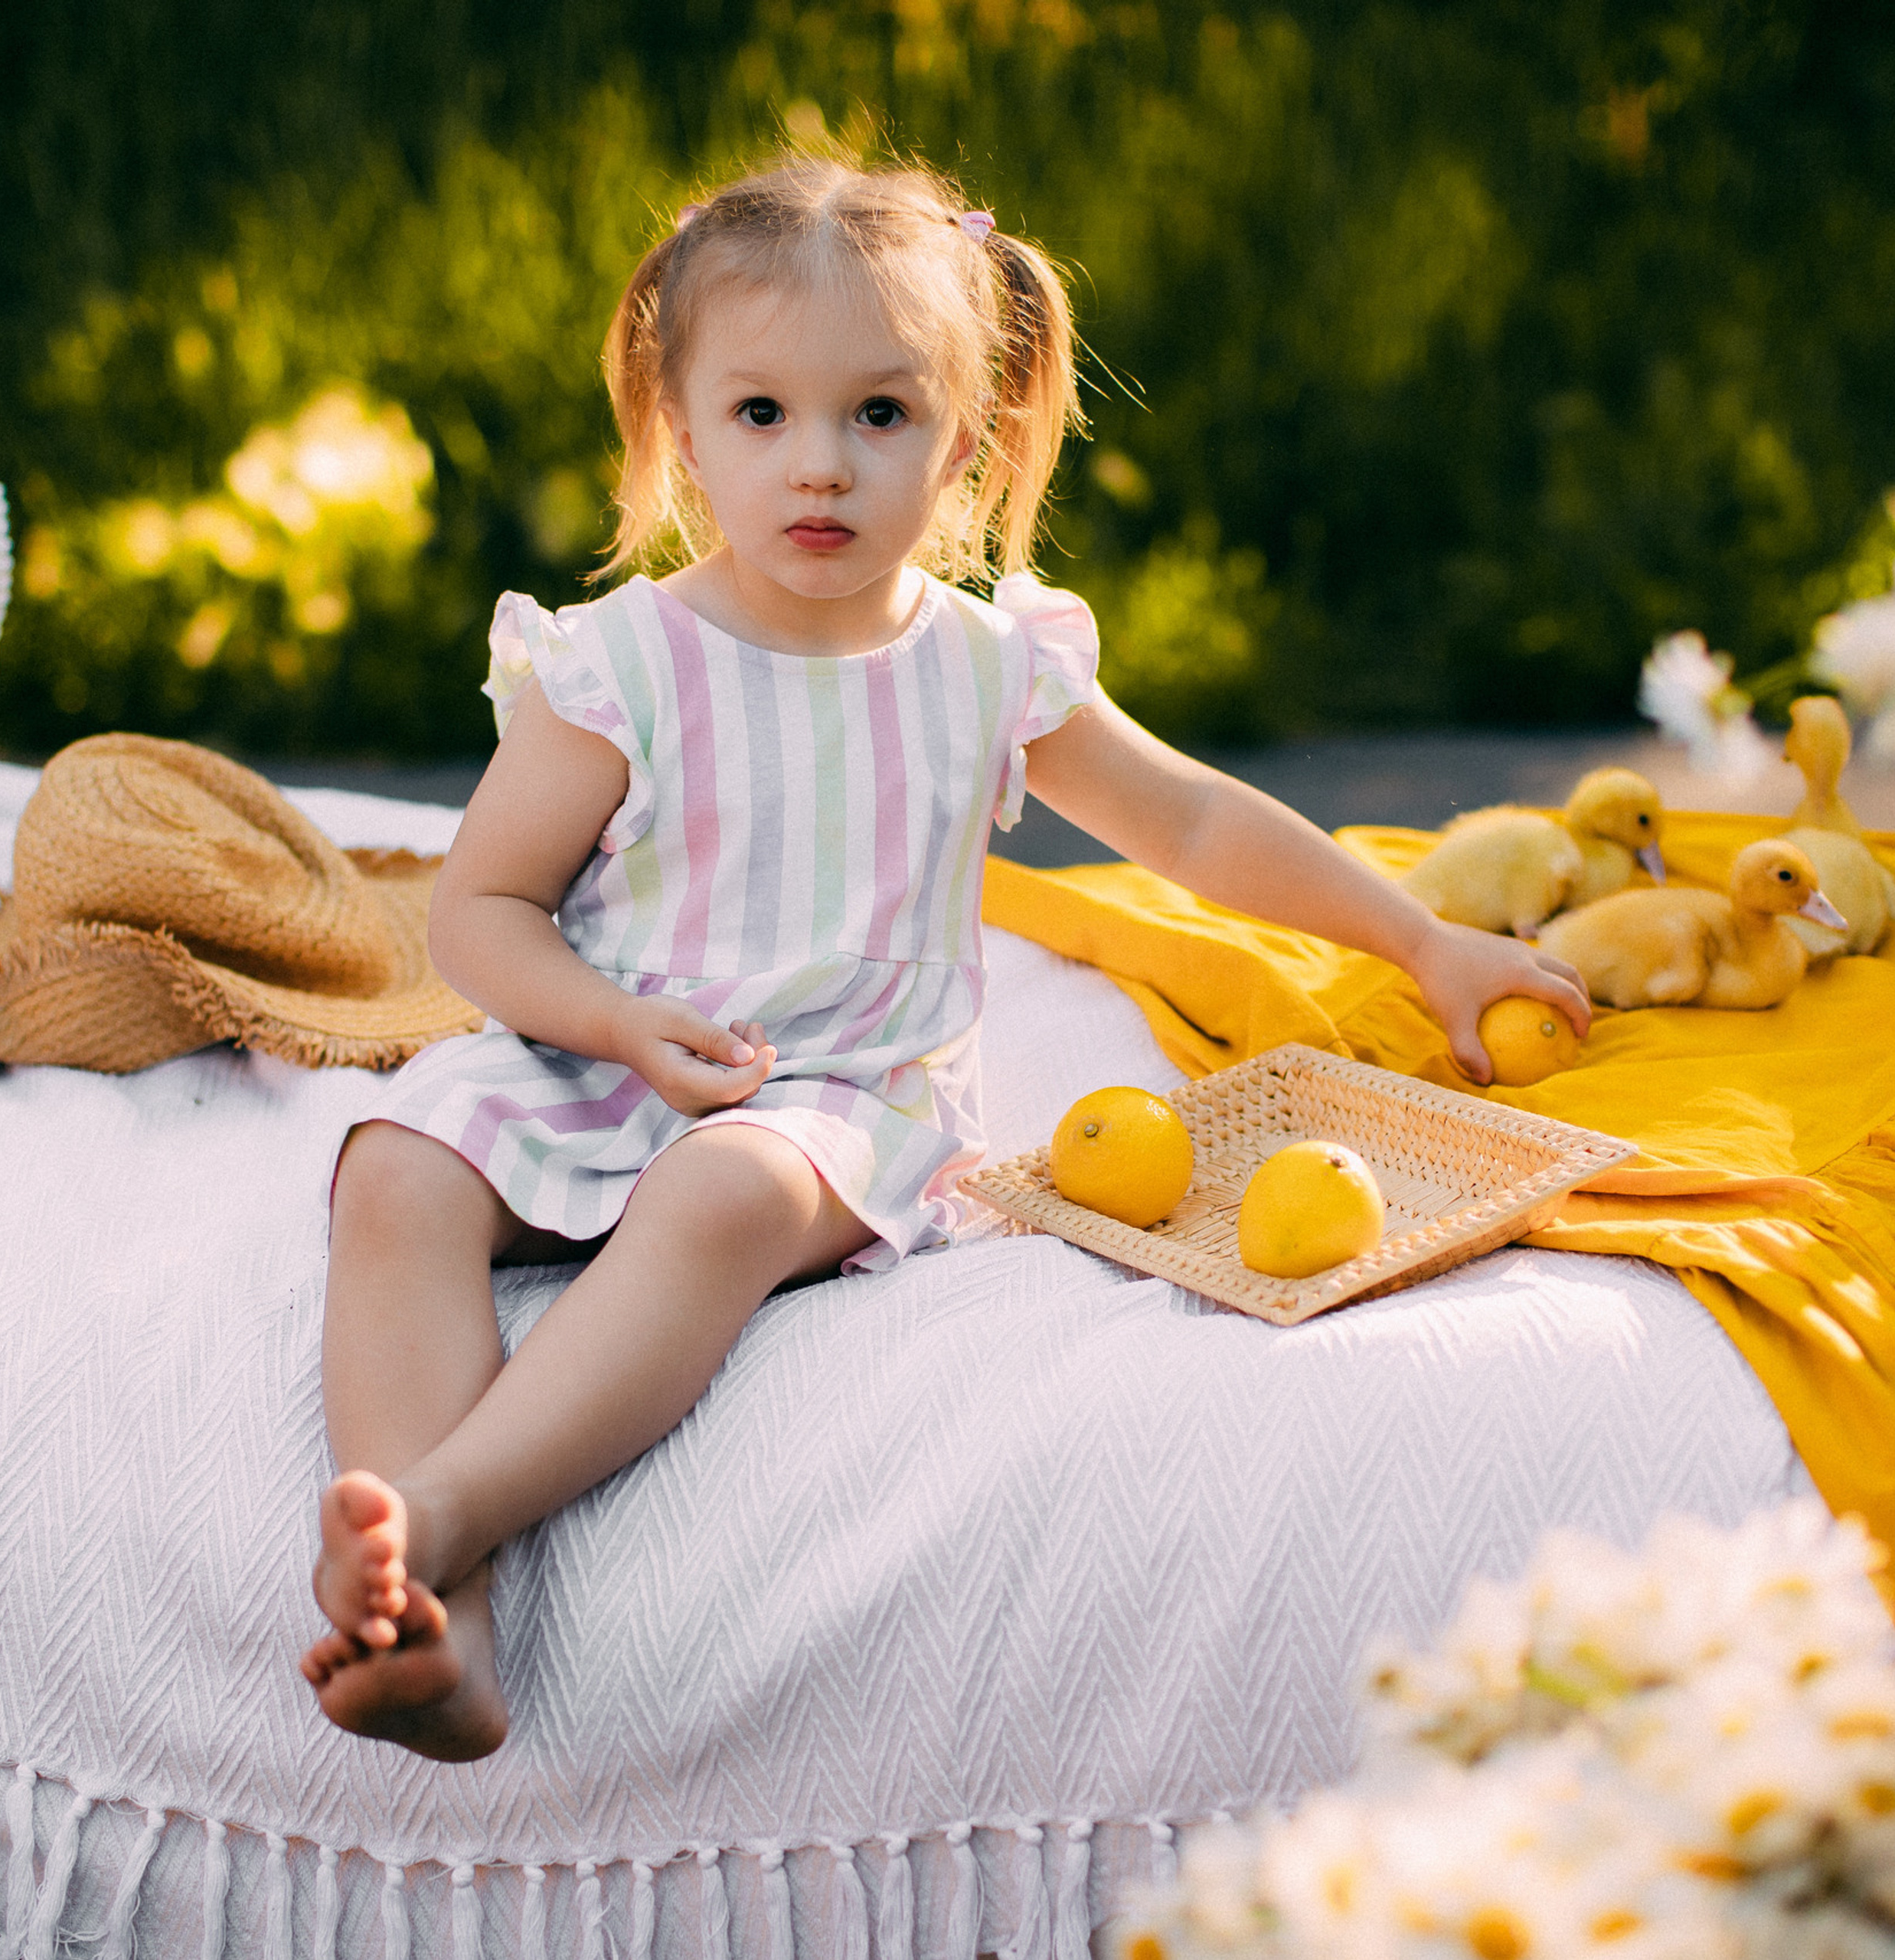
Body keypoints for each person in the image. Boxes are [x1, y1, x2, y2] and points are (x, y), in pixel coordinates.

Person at [299, 155, 1590, 1761]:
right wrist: (614, 1024)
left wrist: (1418, 936)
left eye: (880, 416)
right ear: (683, 432)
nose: (819, 465)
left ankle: (443, 1511)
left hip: (843, 1089)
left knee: (721, 1194)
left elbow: (1186, 823)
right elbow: (476, 914)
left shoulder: (983, 669)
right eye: (761, 413)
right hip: (608, 1039)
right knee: (395, 1168)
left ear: (964, 445)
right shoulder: (618, 665)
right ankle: (441, 1635)